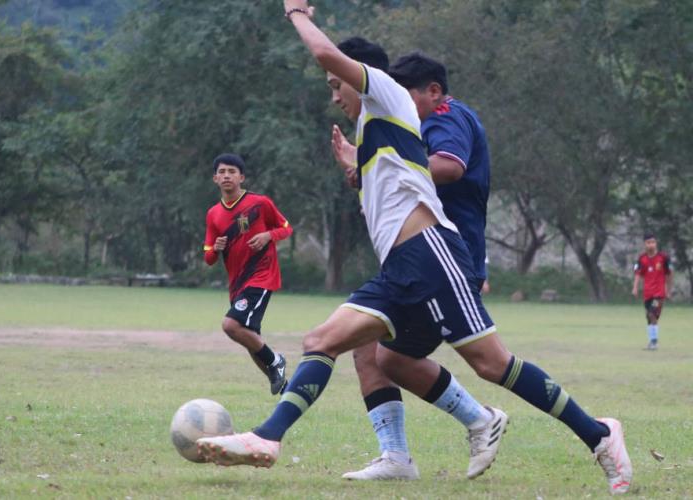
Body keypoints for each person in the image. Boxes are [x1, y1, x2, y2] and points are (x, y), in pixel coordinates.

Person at [198, 3, 632, 495]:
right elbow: (386, 198)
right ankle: (268, 439)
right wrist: (355, 168)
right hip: (399, 271)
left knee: (492, 365)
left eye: (335, 85)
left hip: (432, 256)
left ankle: (600, 434)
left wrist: (297, 12)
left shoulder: (383, 92)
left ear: (357, 77)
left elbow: (323, 51)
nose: (334, 95)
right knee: (325, 341)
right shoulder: (373, 131)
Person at [330, 53, 501, 480]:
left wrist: (386, 164)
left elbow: (449, 165)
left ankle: (589, 433)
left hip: (444, 256)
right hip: (421, 258)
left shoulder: (445, 115)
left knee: (490, 363)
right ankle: (400, 456)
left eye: (408, 92)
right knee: (374, 351)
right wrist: (363, 169)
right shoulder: (403, 122)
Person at [203, 153, 292, 395]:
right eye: (221, 172)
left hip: (261, 277)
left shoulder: (260, 203)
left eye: (231, 171)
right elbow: (208, 256)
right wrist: (216, 249)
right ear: (215, 179)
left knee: (231, 325)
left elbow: (286, 228)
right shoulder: (213, 214)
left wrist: (268, 235)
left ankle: (276, 361)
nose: (226, 176)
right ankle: (287, 391)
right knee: (251, 339)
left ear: (241, 177)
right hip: (237, 284)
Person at [632, 233, 673, 350]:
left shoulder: (663, 258)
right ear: (645, 244)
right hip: (647, 294)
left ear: (656, 243)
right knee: (649, 317)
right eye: (649, 242)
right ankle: (651, 341)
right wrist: (635, 287)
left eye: (653, 242)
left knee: (652, 314)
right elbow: (638, 274)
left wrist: (668, 290)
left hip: (659, 294)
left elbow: (669, 274)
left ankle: (654, 342)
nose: (651, 245)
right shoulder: (642, 259)